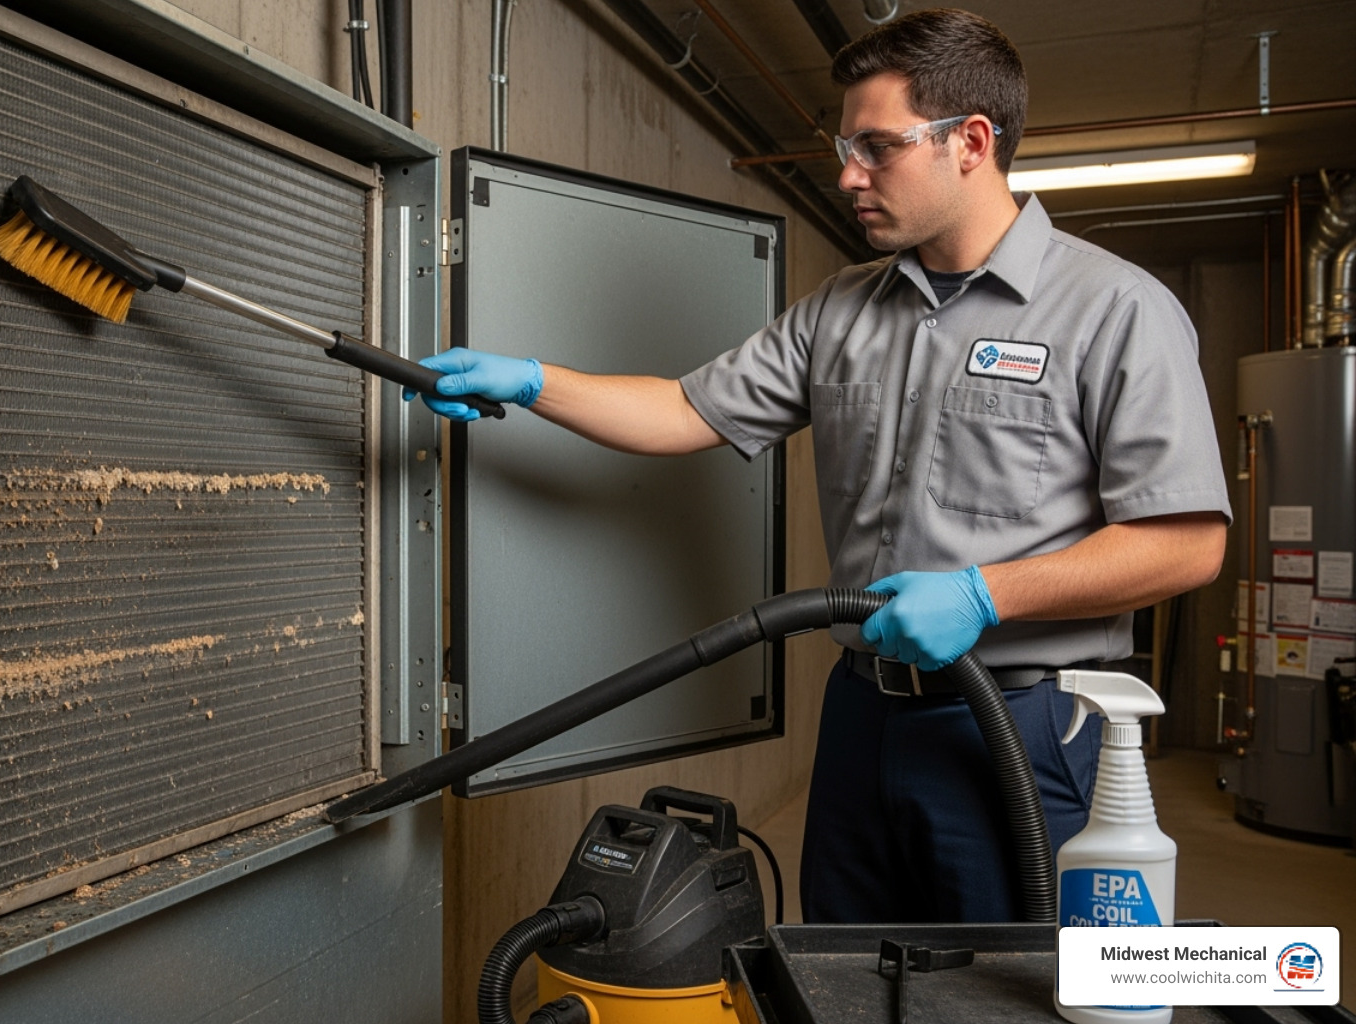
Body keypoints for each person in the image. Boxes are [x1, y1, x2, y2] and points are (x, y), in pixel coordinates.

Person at [407, 8, 1230, 924]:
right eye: (846, 147)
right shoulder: (841, 309)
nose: (847, 175)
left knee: (1011, 980)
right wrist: (530, 381)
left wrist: (985, 595)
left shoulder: (1115, 310)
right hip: (863, 714)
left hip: (1020, 722)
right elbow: (684, 410)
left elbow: (1186, 543)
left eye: (878, 147)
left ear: (971, 142)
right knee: (842, 969)